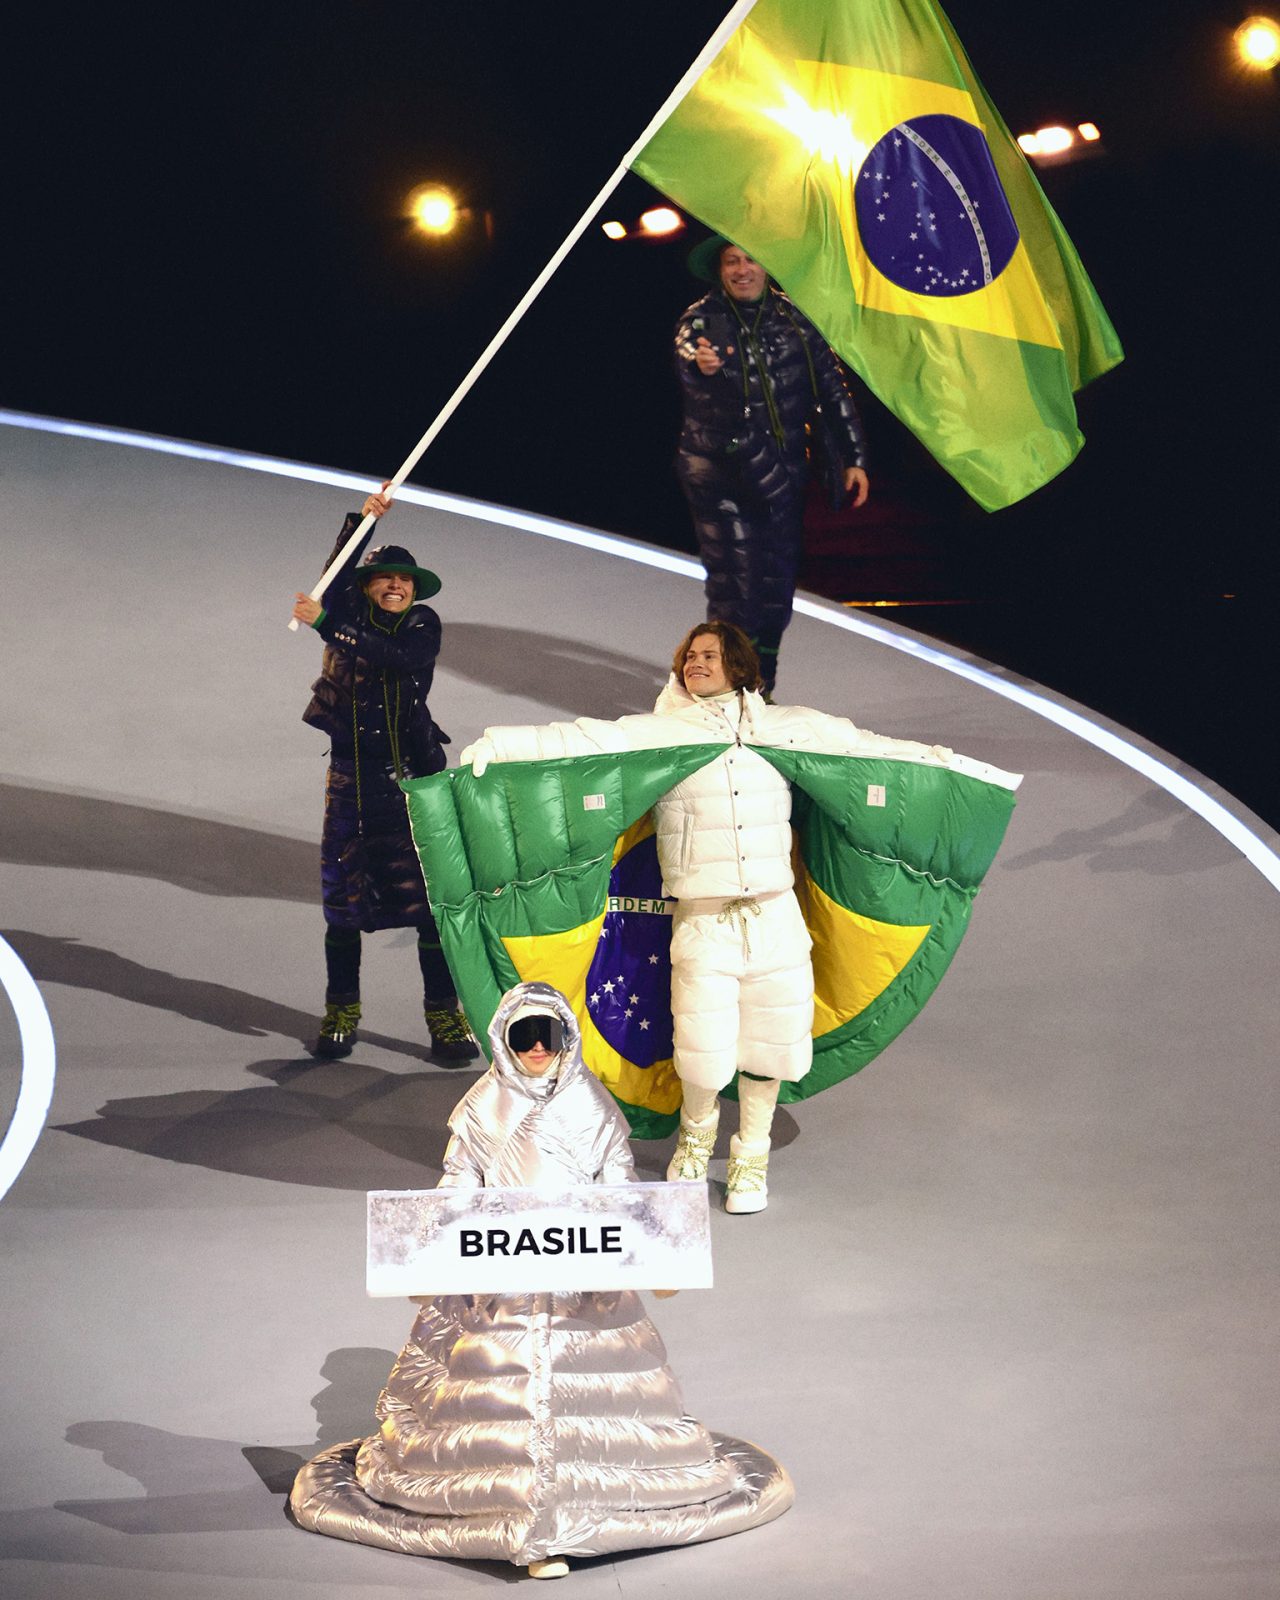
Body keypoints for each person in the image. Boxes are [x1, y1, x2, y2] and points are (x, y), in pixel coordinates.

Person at [460, 623, 1005, 1216]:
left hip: (775, 917)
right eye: (689, 656)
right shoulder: (665, 734)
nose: (695, 663)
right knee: (702, 1048)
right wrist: (499, 745)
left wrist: (945, 766)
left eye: (709, 655)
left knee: (770, 1044)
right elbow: (585, 740)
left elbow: (867, 750)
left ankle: (752, 1156)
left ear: (739, 665)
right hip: (704, 920)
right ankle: (695, 1142)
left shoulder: (785, 728)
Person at [289, 981, 793, 1578]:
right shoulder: (483, 1106)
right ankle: (523, 1519)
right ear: (503, 1040)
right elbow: (459, 1182)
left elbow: (619, 1184)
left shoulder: (593, 1106)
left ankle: (573, 1512)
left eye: (547, 1036)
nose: (536, 1048)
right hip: (498, 1278)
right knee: (504, 1391)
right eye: (523, 1035)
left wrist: (651, 1250)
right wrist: (432, 1247)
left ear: (566, 1040)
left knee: (592, 1398)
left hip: (583, 1281)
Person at [292, 489, 476, 1063]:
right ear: (367, 586)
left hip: (412, 783)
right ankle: (341, 1011)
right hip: (350, 781)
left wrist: (328, 625)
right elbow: (335, 578)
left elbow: (395, 657)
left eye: (405, 581)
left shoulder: (422, 624)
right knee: (342, 904)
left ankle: (444, 1016)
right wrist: (363, 522)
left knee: (429, 906)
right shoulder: (345, 610)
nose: (397, 586)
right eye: (385, 579)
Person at [675, 235, 870, 697]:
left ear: (766, 266)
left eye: (751, 259)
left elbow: (832, 389)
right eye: (732, 261)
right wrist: (700, 363)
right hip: (720, 476)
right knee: (736, 590)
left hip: (781, 476)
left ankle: (759, 689)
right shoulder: (701, 320)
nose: (742, 269)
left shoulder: (795, 321)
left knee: (775, 592)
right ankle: (726, 694)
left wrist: (854, 458)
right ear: (720, 270)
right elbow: (689, 353)